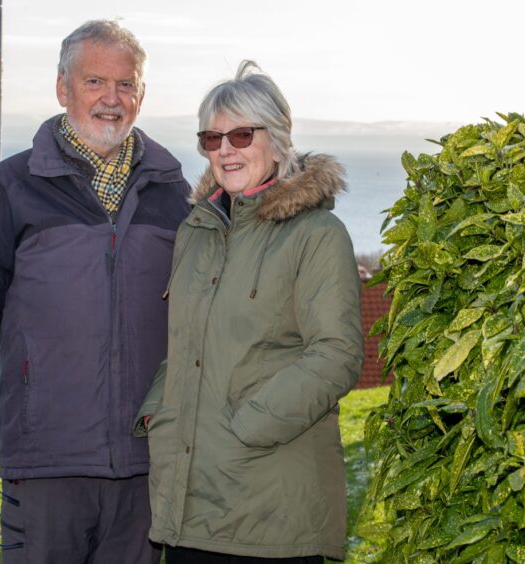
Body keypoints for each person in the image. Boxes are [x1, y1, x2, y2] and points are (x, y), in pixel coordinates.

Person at [0, 19, 190, 562]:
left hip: (146, 465)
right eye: (95, 82)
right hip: (45, 460)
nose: (111, 99)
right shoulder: (9, 187)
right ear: (63, 88)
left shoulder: (175, 194)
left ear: (141, 95)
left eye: (126, 85)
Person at [133, 61, 365, 562]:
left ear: (277, 137)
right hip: (191, 506)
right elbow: (186, 345)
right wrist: (161, 412)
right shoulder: (197, 232)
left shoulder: (316, 235)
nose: (225, 151)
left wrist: (246, 428)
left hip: (272, 505)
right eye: (211, 139)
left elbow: (337, 354)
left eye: (240, 134)